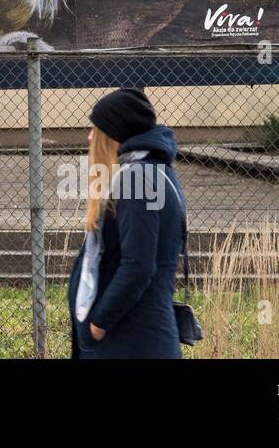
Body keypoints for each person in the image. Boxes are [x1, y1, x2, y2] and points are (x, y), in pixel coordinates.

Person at [68, 87, 186, 359]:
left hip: (131, 342)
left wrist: (98, 325)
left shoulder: (138, 178)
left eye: (95, 128)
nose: (89, 136)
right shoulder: (152, 171)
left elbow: (139, 265)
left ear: (113, 134)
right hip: (132, 339)